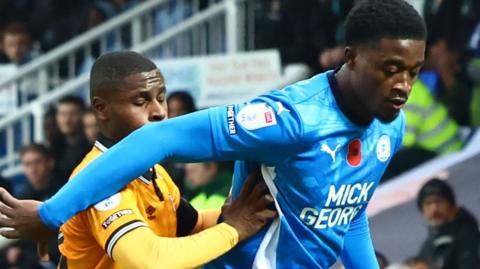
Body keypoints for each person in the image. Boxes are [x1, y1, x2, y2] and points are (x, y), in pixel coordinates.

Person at [0, 0, 427, 268]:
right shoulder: (289, 118)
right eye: (391, 70)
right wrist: (51, 214)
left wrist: (225, 220)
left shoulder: (391, 122)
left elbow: (347, 213)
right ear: (351, 58)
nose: (404, 86)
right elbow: (149, 257)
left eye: (413, 72)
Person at [1, 51, 277, 268]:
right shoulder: (99, 181)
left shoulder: (152, 168)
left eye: (161, 97)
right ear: (101, 109)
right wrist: (234, 228)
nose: (159, 112)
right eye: (140, 101)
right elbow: (151, 261)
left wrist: (253, 212)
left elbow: (191, 224)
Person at [416, 178, 480, 269]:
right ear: (422, 211)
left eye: (438, 201)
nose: (434, 209)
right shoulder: (427, 249)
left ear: (452, 205)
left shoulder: (469, 234)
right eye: (428, 203)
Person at [53, 96, 91, 183]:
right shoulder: (54, 148)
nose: (67, 120)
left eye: (72, 114)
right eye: (63, 114)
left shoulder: (92, 144)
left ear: (82, 116)